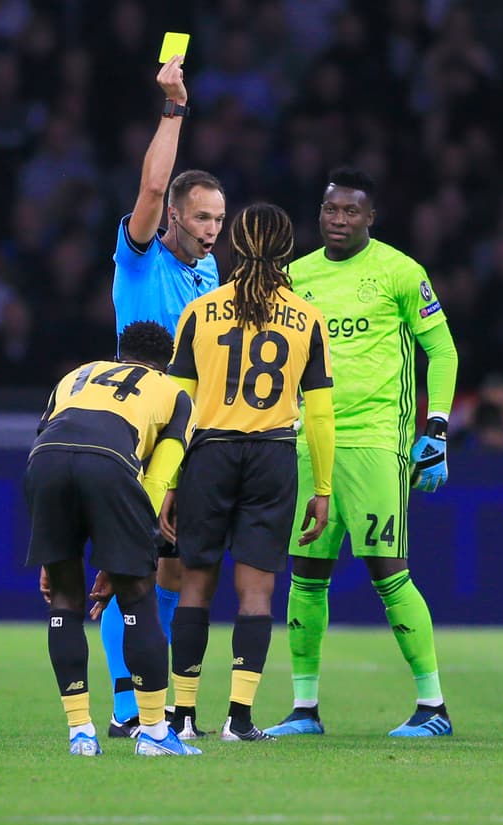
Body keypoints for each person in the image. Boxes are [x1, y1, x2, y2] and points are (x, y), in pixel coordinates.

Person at [265, 167, 460, 740]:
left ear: (370, 218)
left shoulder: (400, 272)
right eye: (331, 210)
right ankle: (304, 709)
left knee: (387, 573)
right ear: (319, 213)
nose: (340, 220)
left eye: (352, 212)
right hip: (308, 443)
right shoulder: (294, 277)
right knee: (306, 576)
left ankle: (433, 706)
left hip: (377, 441)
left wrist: (438, 427)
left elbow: (441, 353)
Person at [164, 202, 335, 742]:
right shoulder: (307, 318)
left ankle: (183, 716)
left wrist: (168, 480)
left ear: (234, 245)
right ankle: (239, 718)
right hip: (272, 456)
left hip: (208, 454)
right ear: (288, 251)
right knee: (257, 592)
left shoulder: (200, 311)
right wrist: (323, 488)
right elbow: (321, 412)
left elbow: (179, 404)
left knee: (195, 585)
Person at [100, 53, 225, 739]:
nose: (210, 229)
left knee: (178, 567)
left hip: (193, 429)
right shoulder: (139, 254)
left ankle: (164, 704)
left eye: (218, 218)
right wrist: (173, 109)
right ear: (172, 216)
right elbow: (149, 189)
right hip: (135, 423)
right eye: (200, 216)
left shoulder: (208, 269)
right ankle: (126, 707)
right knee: (133, 564)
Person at [26, 321, 200, 757]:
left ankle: (80, 733)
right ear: (169, 361)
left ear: (121, 352)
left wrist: (54, 555)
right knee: (138, 598)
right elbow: (159, 478)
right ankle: (156, 733)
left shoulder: (76, 375)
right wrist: (126, 550)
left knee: (64, 597)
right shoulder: (175, 393)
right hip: (110, 463)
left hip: (44, 461)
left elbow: (46, 439)